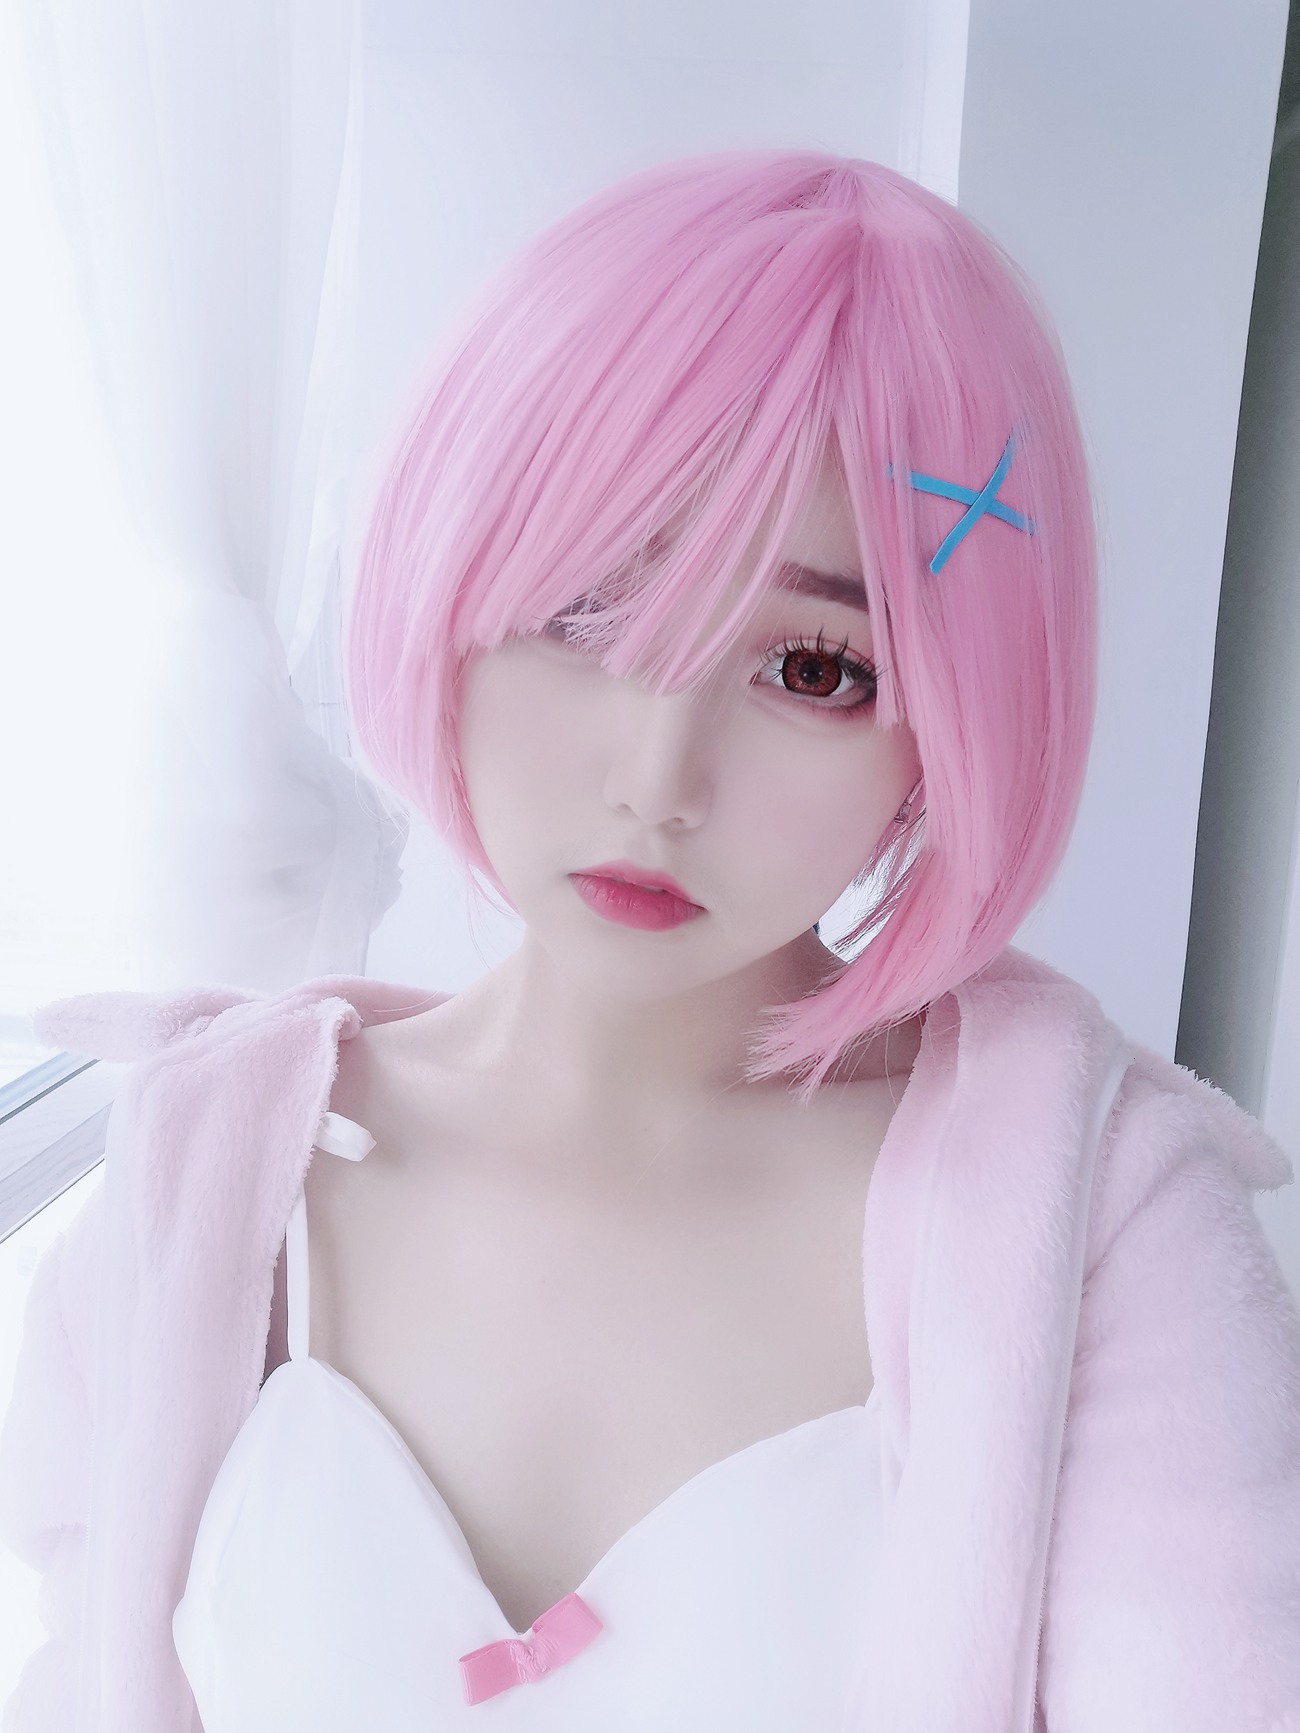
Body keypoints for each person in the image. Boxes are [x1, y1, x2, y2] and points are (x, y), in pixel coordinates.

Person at [3, 149, 1299, 1733]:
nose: (659, 777)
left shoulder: (1102, 1227)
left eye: (813, 669)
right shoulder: (202, 1184)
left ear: (943, 730)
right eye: (589, 611)